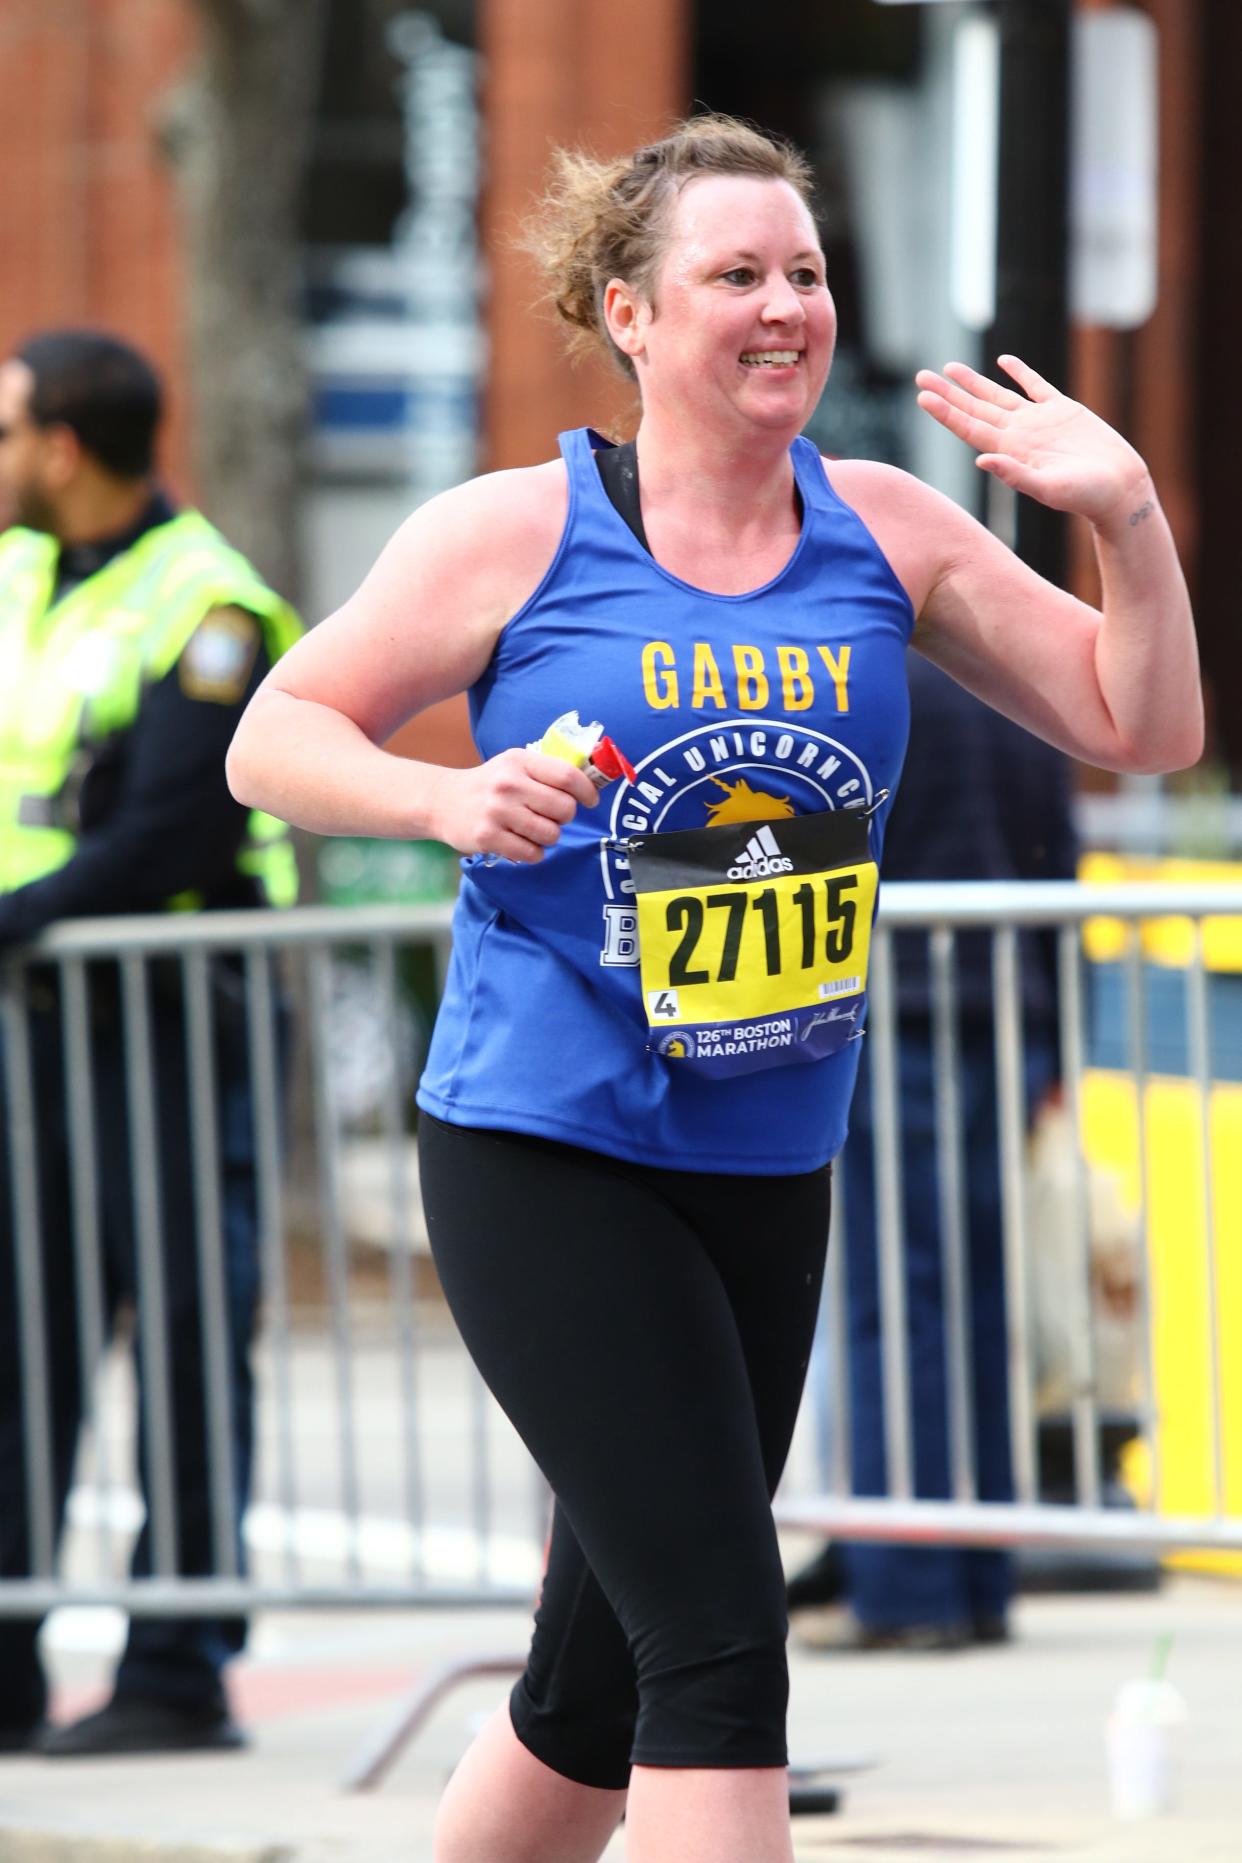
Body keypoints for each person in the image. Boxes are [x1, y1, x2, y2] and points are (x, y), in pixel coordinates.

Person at [226, 116, 1201, 1863]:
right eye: (734, 276)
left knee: (590, 1693)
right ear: (629, 311)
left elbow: (1143, 724)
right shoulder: (518, 529)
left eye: (806, 274)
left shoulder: (887, 529)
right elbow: (273, 734)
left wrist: (1121, 513)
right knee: (719, 1650)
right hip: (550, 1137)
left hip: (766, 1159)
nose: (782, 309)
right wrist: (446, 795)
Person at [0, 330, 301, 1757]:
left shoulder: (210, 603)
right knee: (21, 1336)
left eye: (5, 429)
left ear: (64, 445)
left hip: (174, 1013)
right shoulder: (14, 576)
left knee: (181, 1329)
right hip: (39, 1016)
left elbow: (173, 829)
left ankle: (177, 1668)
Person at [788, 654, 1077, 1652]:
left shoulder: (856, 685)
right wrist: (1058, 1043)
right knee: (978, 1295)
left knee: (893, 1303)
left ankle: (907, 1582)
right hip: (1004, 1009)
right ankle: (980, 1572)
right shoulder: (1014, 688)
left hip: (892, 1007)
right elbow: (1059, 856)